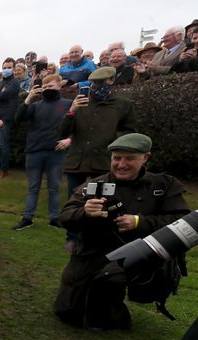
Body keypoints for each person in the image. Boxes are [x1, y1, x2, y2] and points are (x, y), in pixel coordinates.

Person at [54, 133, 188, 330]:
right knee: (67, 311)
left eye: (130, 158)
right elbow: (65, 217)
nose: (121, 164)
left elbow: (182, 221)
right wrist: (85, 212)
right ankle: (100, 304)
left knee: (107, 286)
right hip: (94, 251)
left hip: (141, 253)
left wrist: (139, 222)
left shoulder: (164, 185)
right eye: (117, 158)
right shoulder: (95, 185)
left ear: (145, 158)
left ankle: (114, 312)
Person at [58, 66, 137, 252]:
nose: (97, 86)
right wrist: (71, 111)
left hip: (103, 161)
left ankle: (98, 238)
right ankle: (73, 238)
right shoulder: (79, 102)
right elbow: (62, 132)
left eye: (101, 82)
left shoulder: (123, 104)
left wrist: (112, 140)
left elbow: (130, 131)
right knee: (75, 202)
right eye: (94, 82)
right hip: (77, 161)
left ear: (111, 81)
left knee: (104, 202)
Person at [12, 74, 71, 230]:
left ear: (59, 86)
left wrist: (69, 140)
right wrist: (28, 99)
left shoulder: (68, 104)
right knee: (33, 187)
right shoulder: (35, 105)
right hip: (34, 151)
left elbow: (77, 126)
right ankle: (27, 218)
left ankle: (54, 218)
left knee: (54, 187)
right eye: (44, 87)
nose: (47, 89)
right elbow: (18, 118)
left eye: (51, 86)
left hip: (56, 152)